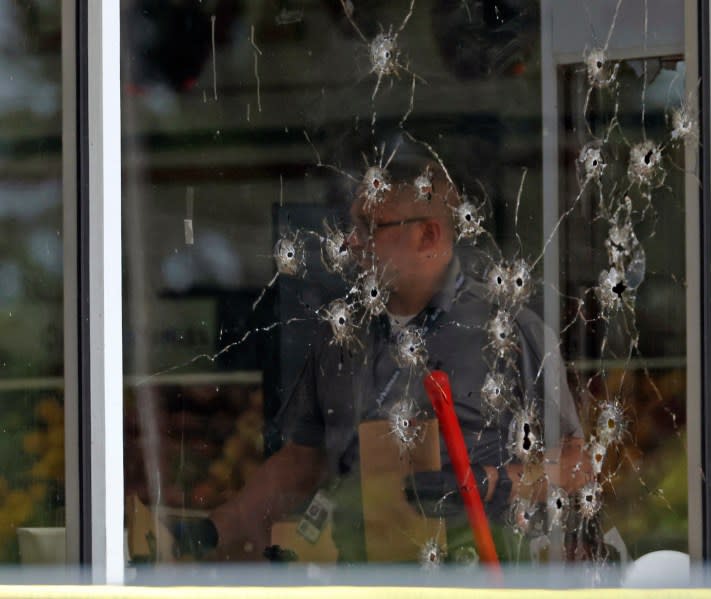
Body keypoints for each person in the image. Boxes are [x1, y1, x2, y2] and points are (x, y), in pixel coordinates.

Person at [180, 159, 587, 563]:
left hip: (474, 574)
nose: (352, 243)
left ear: (428, 236)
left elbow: (577, 463)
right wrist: (212, 529)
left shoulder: (510, 330)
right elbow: (304, 460)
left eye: (369, 228)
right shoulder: (340, 334)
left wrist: (491, 483)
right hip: (360, 572)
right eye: (352, 227)